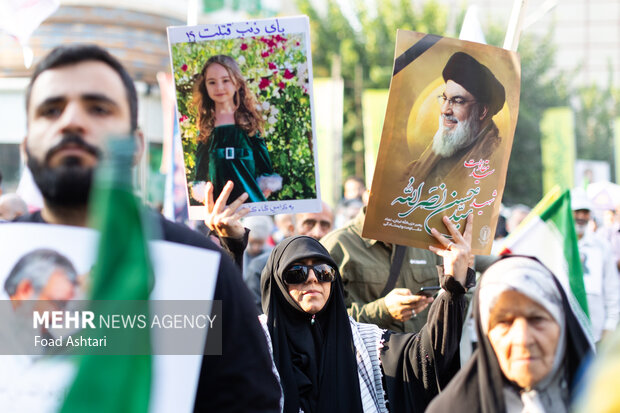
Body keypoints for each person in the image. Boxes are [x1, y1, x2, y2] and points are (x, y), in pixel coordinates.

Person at [15, 43, 280, 411]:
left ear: (137, 145)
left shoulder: (199, 267)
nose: (71, 120)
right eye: (51, 110)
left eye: (98, 108)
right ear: (26, 147)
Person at [260, 212, 472, 413]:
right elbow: (225, 357)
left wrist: (452, 287)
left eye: (324, 272)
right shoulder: (256, 338)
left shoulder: (363, 340)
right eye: (297, 272)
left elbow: (426, 356)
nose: (313, 278)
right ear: (277, 282)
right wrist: (229, 253)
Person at [427, 255, 594, 413]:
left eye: (537, 319)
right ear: (484, 334)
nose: (523, 339)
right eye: (504, 322)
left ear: (562, 323)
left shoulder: (607, 397)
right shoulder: (451, 409)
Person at [322, 208, 474, 333]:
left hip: (422, 359)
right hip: (367, 363)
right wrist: (383, 310)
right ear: (369, 193)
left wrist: (462, 277)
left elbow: (454, 315)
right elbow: (323, 320)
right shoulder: (337, 245)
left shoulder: (429, 241)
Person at [403, 52, 506, 186]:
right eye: (445, 99)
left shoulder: (491, 159)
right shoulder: (447, 141)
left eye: (457, 101)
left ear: (482, 111)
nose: (445, 110)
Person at [191, 54, 281, 204]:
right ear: (205, 87)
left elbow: (262, 157)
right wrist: (201, 189)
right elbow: (200, 165)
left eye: (225, 80)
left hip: (249, 197)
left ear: (237, 83)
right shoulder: (207, 125)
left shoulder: (248, 122)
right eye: (212, 82)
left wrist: (266, 186)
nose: (219, 87)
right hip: (220, 201)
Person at [245, 202, 335, 310]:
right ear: (292, 229)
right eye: (309, 223)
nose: (317, 232)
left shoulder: (338, 264)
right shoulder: (262, 267)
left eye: (325, 225)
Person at [572, 188, 619, 344]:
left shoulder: (601, 246)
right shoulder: (558, 245)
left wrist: (609, 326)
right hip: (565, 333)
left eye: (585, 212)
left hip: (597, 334)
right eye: (577, 211)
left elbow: (612, 289)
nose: (581, 216)